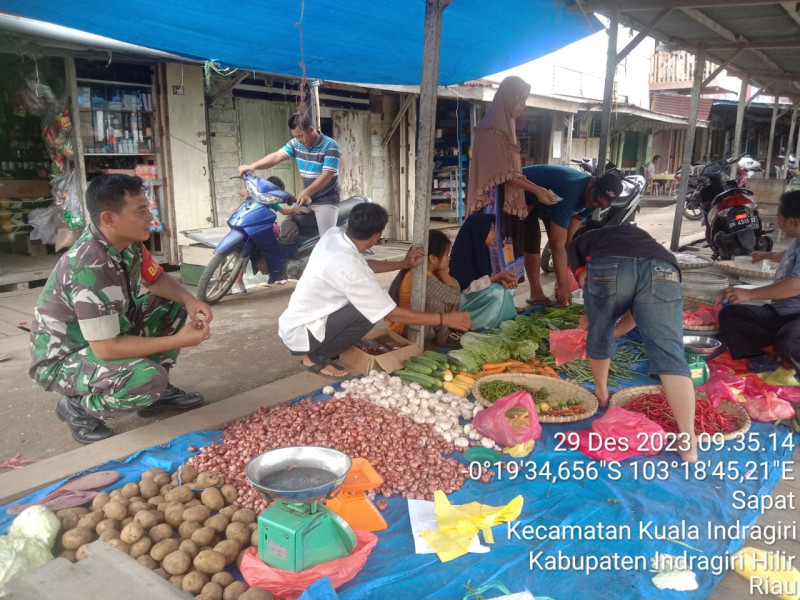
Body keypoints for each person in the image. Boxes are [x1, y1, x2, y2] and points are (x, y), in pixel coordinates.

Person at [29, 175, 212, 444]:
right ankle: (78, 407)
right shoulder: (89, 265)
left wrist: (190, 300)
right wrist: (179, 340)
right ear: (109, 218)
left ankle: (154, 396)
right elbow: (106, 348)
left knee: (172, 302)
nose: (150, 217)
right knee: (147, 380)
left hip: (106, 335)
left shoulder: (128, 244)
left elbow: (155, 279)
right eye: (141, 211)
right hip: (64, 358)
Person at [278, 203, 472, 378]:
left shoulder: (334, 235)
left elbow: (364, 264)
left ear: (350, 224)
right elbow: (391, 313)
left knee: (365, 306)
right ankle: (313, 359)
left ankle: (328, 348)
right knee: (368, 312)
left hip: (296, 320)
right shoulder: (352, 267)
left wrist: (404, 264)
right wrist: (444, 319)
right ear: (377, 236)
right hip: (304, 333)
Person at [567, 223, 697, 462]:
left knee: (599, 326)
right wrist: (610, 330)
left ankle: (602, 394)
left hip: (611, 266)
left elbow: (586, 281)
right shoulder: (637, 236)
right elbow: (639, 310)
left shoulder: (578, 244)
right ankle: (689, 445)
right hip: (663, 269)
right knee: (671, 354)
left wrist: (597, 323)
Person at [466, 76, 558, 304]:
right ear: (509, 98)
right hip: (491, 208)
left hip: (505, 207)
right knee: (493, 255)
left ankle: (505, 305)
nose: (523, 106)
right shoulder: (490, 131)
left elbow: (511, 173)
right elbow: (506, 174)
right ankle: (490, 307)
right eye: (521, 100)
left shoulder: (507, 130)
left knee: (508, 252)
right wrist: (536, 190)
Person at [720, 190, 800, 378]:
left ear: (792, 222)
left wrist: (750, 294)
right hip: (781, 312)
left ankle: (786, 353)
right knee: (731, 315)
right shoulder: (797, 240)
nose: (777, 221)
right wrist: (767, 255)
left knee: (788, 342)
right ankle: (775, 352)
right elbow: (789, 257)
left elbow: (795, 285)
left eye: (779, 217)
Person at [523, 164, 623, 307]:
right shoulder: (570, 192)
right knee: (533, 240)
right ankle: (536, 293)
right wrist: (564, 286)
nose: (594, 203)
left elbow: (576, 219)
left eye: (600, 203)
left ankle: (559, 285)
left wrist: (569, 245)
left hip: (550, 201)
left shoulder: (592, 200)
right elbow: (557, 247)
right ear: (593, 183)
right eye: (595, 198)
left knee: (564, 246)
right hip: (524, 191)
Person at [238, 112, 341, 237]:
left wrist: (306, 192)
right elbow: (276, 156)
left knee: (327, 240)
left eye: (300, 136)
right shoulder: (296, 143)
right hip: (307, 199)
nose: (299, 140)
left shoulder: (330, 146)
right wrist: (253, 166)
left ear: (311, 129)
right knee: (289, 223)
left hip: (326, 200)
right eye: (295, 136)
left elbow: (327, 176)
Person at [386, 230, 461, 346]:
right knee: (436, 303)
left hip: (409, 322)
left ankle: (444, 336)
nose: (449, 258)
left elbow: (454, 293)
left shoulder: (429, 273)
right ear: (433, 258)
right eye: (447, 254)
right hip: (404, 328)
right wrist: (445, 273)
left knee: (441, 299)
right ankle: (439, 340)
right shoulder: (422, 276)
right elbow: (454, 297)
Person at [450, 213, 519, 332]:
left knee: (507, 290)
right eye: (491, 229)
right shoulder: (463, 255)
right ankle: (476, 325)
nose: (494, 234)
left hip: (472, 296)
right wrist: (497, 277)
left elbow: (483, 279)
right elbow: (468, 287)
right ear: (479, 230)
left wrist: (500, 280)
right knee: (496, 292)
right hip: (460, 302)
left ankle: (501, 323)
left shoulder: (481, 250)